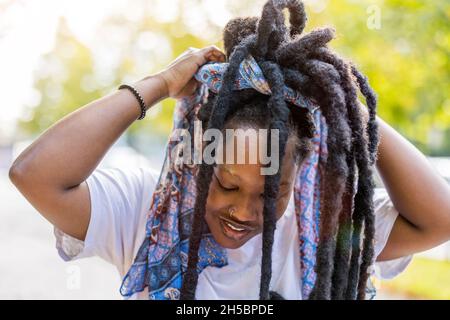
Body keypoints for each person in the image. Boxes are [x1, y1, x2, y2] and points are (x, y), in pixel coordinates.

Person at [9, 0, 450, 300]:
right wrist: (159, 86)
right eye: (226, 184)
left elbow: (440, 218)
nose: (243, 211)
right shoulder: (149, 208)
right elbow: (35, 175)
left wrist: (339, 103)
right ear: (201, 158)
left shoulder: (322, 227)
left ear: (297, 178)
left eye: (269, 192)